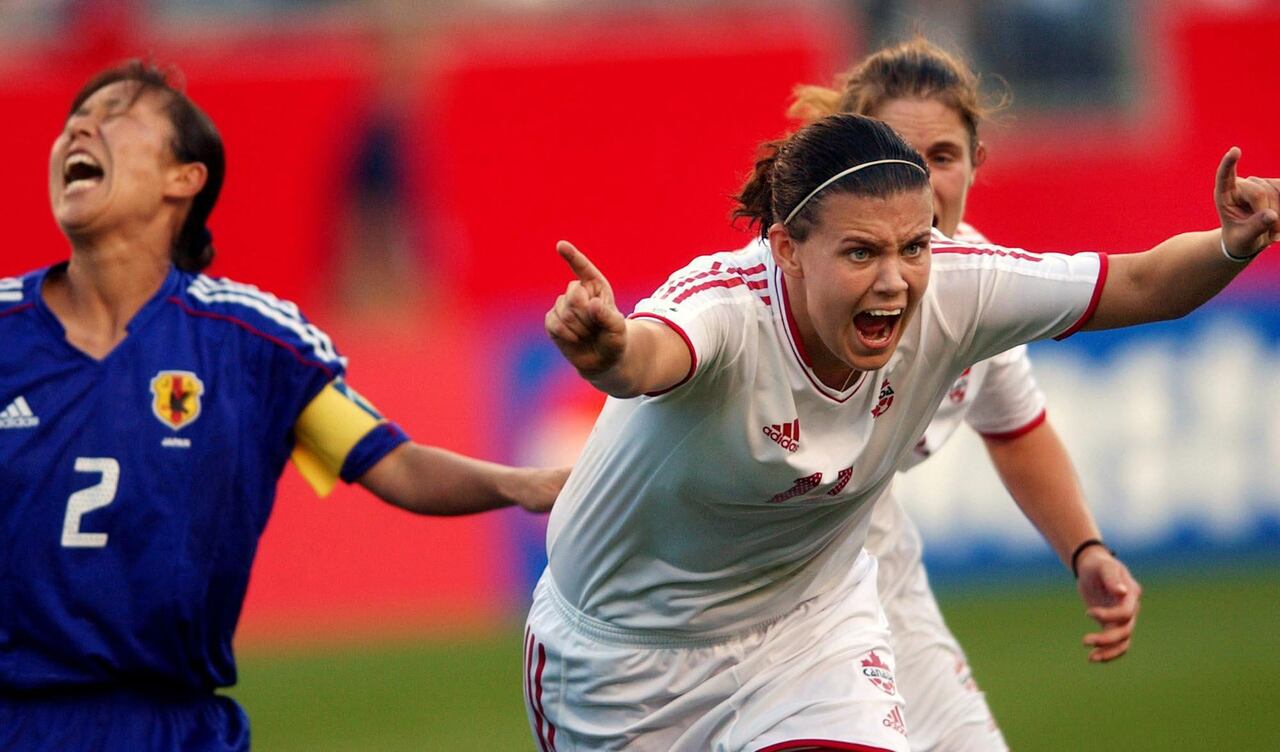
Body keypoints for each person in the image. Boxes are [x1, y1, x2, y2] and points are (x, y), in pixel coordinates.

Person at [532, 112, 1277, 751]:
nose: (895, 280)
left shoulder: (958, 285)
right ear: (788, 247)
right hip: (622, 660)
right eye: (861, 252)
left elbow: (1142, 283)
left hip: (807, 626)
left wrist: (1232, 245)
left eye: (913, 247)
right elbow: (648, 355)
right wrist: (610, 353)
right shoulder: (726, 307)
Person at [0, 60, 564, 752]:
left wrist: (525, 484)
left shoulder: (252, 345)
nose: (79, 127)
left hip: (171, 730)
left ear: (185, 178)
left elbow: (394, 463)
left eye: (116, 111)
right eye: (72, 122)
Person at [783, 38, 1140, 750]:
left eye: (942, 156)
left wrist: (1086, 550)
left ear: (978, 162)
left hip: (865, 552)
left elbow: (1017, 429)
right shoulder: (798, 282)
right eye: (896, 155)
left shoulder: (975, 293)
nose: (920, 180)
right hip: (751, 576)